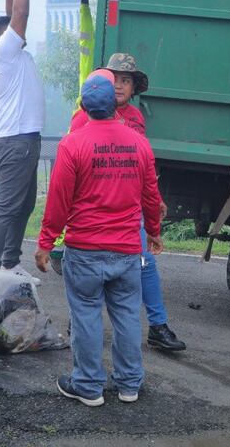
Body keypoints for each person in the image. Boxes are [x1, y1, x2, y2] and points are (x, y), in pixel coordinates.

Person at [36, 73, 163, 407]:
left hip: (85, 249)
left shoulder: (72, 144)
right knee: (127, 315)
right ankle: (129, 384)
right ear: (114, 106)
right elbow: (151, 195)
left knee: (86, 314)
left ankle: (88, 385)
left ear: (84, 106)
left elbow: (59, 200)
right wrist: (153, 230)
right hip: (127, 249)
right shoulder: (138, 143)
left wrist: (46, 242)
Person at [69, 53, 186, 352]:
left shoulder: (136, 118)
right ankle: (79, 322)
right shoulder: (83, 117)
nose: (120, 86)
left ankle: (158, 326)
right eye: (115, 80)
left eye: (126, 81)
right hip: (92, 212)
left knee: (145, 263)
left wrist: (155, 199)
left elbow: (144, 163)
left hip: (130, 210)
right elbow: (71, 166)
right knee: (89, 269)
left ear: (134, 88)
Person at [0, 0, 46, 269]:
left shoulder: (9, 53)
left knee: (23, 205)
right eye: (14, 30)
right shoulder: (3, 52)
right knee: (8, 205)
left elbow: (12, 12)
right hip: (15, 140)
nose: (21, 31)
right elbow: (20, 12)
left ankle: (9, 262)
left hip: (22, 139)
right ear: (5, 37)